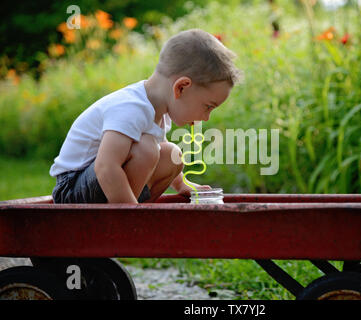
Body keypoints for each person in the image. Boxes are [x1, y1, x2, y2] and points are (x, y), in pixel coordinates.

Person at [50, 29, 243, 204]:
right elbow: (106, 166)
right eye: (208, 107)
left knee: (171, 155)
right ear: (181, 87)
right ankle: (126, 219)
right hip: (72, 188)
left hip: (98, 185)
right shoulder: (130, 108)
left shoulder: (158, 109)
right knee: (148, 148)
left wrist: (182, 185)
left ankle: (133, 210)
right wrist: (131, 213)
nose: (206, 117)